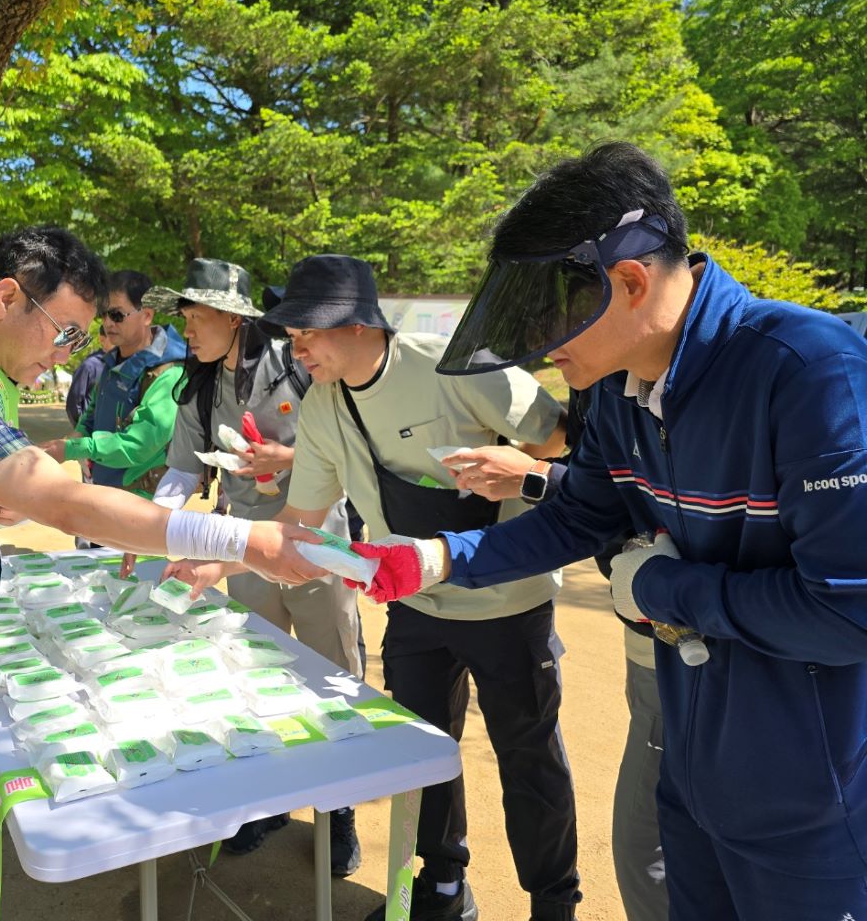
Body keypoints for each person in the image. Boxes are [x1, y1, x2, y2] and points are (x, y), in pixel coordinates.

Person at [350, 141, 867, 921]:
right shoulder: (624, 390)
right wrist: (435, 557)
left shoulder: (809, 371)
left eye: (552, 320)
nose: (545, 349)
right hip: (693, 766)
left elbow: (848, 611)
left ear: (629, 282)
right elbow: (580, 514)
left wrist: (660, 586)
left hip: (811, 797)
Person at [0, 226, 322, 918]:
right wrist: (241, 537)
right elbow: (63, 500)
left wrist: (8, 502)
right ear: (9, 297)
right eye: (68, 331)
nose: (68, 352)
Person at [172, 253, 573, 921]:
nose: (295, 349)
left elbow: (563, 441)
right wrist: (223, 561)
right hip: (414, 602)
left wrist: (522, 466)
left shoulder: (459, 364)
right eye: (290, 336)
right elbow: (299, 525)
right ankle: (442, 885)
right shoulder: (324, 406)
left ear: (356, 324)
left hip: (508, 600)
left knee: (527, 755)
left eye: (306, 334)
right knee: (422, 751)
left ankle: (553, 902)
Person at [143, 258, 367, 873]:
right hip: (241, 545)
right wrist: (153, 526)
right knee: (254, 668)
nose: (185, 327)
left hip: (316, 538)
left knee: (329, 671)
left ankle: (338, 812)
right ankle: (269, 805)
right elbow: (185, 469)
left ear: (233, 316)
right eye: (183, 315)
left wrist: (283, 457)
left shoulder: (295, 362)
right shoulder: (200, 382)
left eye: (196, 315)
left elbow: (346, 442)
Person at [442, 389, 665, 921]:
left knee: (649, 846)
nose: (551, 351)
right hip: (649, 634)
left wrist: (535, 476)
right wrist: (440, 558)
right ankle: (441, 884)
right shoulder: (605, 382)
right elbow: (593, 506)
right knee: (649, 844)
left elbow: (624, 509)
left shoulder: (777, 366)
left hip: (697, 641)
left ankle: (555, 900)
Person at [41, 270, 186, 497]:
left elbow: (140, 444)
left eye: (117, 315)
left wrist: (73, 448)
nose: (108, 322)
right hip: (105, 491)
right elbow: (93, 410)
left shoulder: (169, 373)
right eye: (104, 314)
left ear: (147, 315)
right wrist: (79, 433)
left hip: (142, 499)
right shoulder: (113, 362)